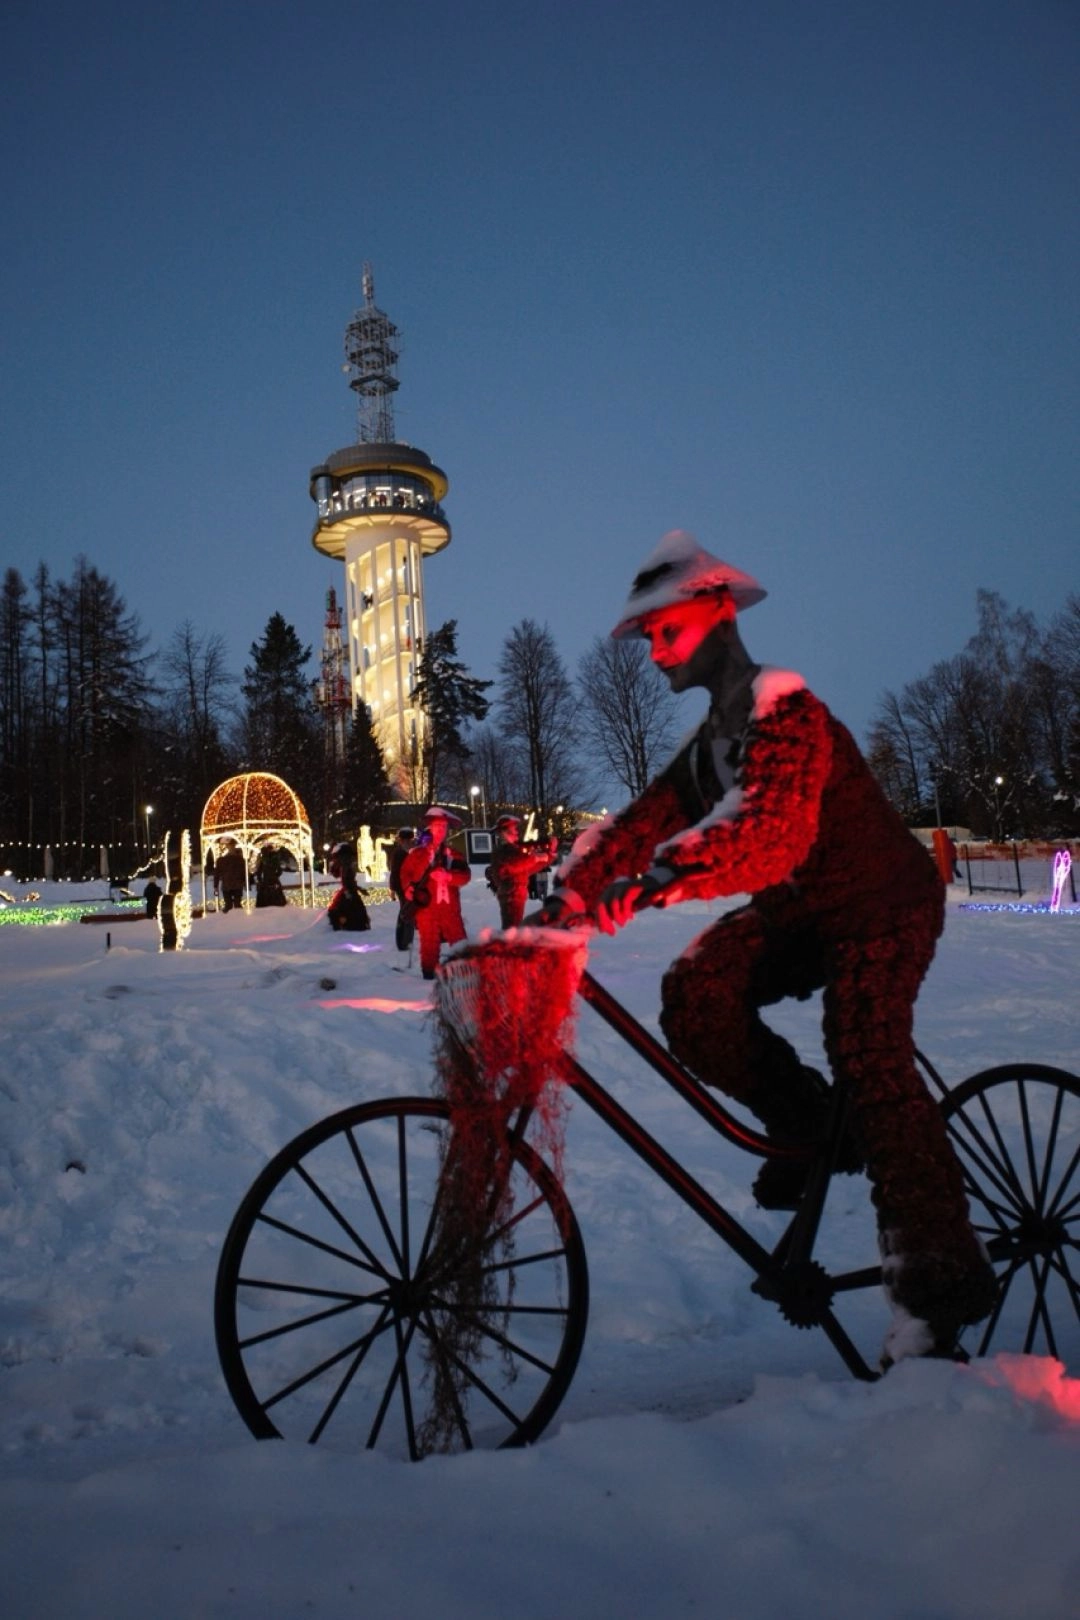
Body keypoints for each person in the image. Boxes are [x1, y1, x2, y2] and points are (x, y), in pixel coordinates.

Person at [543, 529, 996, 1366]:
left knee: (869, 1053)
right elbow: (642, 823)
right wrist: (569, 892)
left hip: (879, 907)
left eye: (664, 632)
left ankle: (938, 1296)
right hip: (800, 913)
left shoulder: (789, 714)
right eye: (647, 639)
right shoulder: (711, 741)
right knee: (696, 990)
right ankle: (812, 1129)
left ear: (717, 613)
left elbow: (773, 834)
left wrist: (660, 880)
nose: (654, 653)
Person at [399, 807, 470, 980]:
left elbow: (465, 876)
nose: (441, 830)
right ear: (430, 828)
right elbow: (405, 873)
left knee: (458, 938)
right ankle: (428, 973)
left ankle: (465, 972)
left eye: (444, 827)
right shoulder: (417, 855)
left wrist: (449, 876)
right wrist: (408, 888)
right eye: (437, 826)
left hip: (449, 908)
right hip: (426, 908)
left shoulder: (454, 856)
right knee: (429, 942)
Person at [486, 814, 560, 929]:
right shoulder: (502, 851)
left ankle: (510, 944)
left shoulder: (515, 849)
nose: (517, 832)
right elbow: (515, 864)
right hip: (510, 894)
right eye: (514, 828)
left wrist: (550, 853)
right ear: (505, 831)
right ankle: (508, 945)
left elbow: (530, 867)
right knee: (512, 928)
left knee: (514, 927)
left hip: (518, 894)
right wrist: (535, 857)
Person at [326, 839, 371, 931]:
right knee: (350, 908)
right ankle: (348, 924)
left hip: (349, 890)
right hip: (348, 891)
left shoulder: (346, 865)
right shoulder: (346, 865)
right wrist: (349, 891)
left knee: (348, 908)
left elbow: (348, 880)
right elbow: (347, 881)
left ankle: (346, 923)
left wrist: (358, 889)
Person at [386, 826, 416, 951]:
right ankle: (404, 941)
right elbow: (394, 873)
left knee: (407, 912)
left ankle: (405, 940)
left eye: (410, 840)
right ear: (401, 841)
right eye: (406, 841)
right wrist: (393, 889)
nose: (409, 843)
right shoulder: (399, 854)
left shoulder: (408, 852)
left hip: (408, 887)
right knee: (407, 913)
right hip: (402, 887)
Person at [215, 838, 247, 913]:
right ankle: (237, 918)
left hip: (229, 884)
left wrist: (215, 886)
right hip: (234, 884)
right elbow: (244, 872)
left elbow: (217, 873)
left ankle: (229, 918)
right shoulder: (239, 859)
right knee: (235, 904)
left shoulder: (221, 860)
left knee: (230, 904)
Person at [254, 844, 287, 908]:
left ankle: (266, 905)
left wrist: (260, 880)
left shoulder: (263, 859)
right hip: (274, 879)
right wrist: (276, 876)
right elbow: (280, 870)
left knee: (264, 895)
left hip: (266, 880)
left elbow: (259, 871)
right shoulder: (275, 858)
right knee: (276, 893)